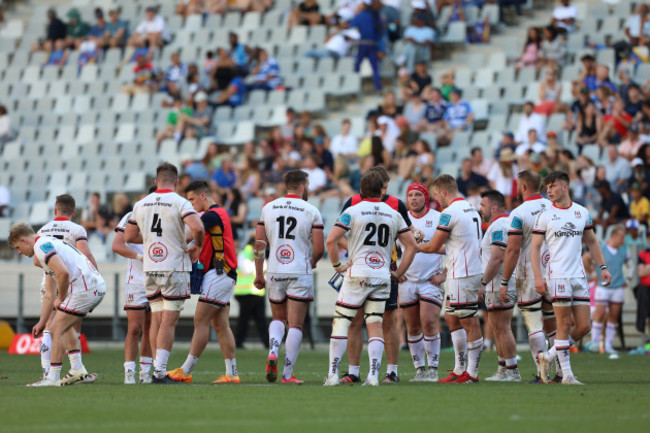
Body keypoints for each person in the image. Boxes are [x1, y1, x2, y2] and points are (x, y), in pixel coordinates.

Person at [324, 171, 417, 386]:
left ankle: (332, 375)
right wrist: (399, 272)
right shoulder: (393, 212)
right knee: (376, 323)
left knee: (341, 321)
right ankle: (374, 376)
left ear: (361, 189)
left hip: (358, 273)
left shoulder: (353, 209)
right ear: (381, 189)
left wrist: (338, 265)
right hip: (383, 273)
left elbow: (331, 240)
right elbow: (412, 245)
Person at [124, 163, 205, 384]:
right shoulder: (180, 202)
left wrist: (153, 240)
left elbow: (129, 237)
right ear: (176, 182)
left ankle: (152, 371)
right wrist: (196, 246)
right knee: (169, 321)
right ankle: (159, 372)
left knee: (157, 319)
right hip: (173, 266)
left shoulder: (140, 204)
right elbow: (198, 227)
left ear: (156, 181)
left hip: (150, 267)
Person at [533, 171, 612, 385]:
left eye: (553, 186)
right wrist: (538, 277)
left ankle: (547, 356)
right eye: (547, 187)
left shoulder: (581, 212)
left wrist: (602, 267)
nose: (548, 190)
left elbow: (593, 242)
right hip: (557, 276)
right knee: (564, 324)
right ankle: (567, 375)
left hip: (579, 275)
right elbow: (535, 247)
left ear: (565, 187)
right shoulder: (545, 215)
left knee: (584, 326)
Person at [10, 223, 105, 387]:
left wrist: (61, 298)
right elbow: (48, 293)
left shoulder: (41, 247)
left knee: (56, 329)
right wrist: (41, 321)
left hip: (86, 287)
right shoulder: (47, 244)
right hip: (94, 285)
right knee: (63, 326)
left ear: (24, 241)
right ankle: (78, 370)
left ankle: (52, 378)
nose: (19, 252)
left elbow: (63, 273)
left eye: (18, 247)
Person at [254, 170, 324, 383]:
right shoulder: (311, 210)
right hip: (298, 271)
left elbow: (259, 245)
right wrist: (311, 262)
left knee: (278, 318)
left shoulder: (268, 208)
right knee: (295, 325)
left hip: (275, 269)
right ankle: (286, 374)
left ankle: (273, 350)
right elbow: (319, 248)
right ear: (302, 187)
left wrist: (259, 274)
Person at [167, 180, 241, 384]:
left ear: (203, 196)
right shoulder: (219, 213)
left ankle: (186, 370)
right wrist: (196, 247)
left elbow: (190, 232)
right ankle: (232, 374)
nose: (190, 204)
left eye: (191, 199)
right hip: (223, 273)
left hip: (219, 274)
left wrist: (167, 237)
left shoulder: (210, 215)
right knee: (221, 325)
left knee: (200, 321)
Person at [418, 174, 484, 383]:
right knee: (451, 317)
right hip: (467, 269)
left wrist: (414, 245)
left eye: (437, 195)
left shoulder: (448, 213)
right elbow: (453, 245)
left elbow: (433, 245)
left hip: (462, 273)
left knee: (469, 321)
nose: (437, 200)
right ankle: (459, 368)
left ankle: (471, 373)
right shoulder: (471, 208)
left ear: (444, 192)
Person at [34, 194, 99, 386]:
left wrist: (51, 269)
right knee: (70, 326)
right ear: (74, 212)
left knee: (49, 325)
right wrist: (95, 276)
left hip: (48, 281)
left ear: (55, 211)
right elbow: (85, 254)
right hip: (72, 281)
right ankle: (72, 369)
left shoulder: (43, 230)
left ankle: (51, 373)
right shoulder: (76, 228)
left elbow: (37, 259)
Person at [499, 170, 556, 383]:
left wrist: (504, 282)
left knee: (534, 323)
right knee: (553, 324)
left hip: (529, 274)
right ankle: (561, 371)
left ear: (522, 187)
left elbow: (512, 251)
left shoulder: (518, 213)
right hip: (554, 272)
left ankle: (543, 374)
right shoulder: (554, 206)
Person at [399, 183, 445, 382]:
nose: (414, 198)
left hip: (430, 280)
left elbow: (452, 247)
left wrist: (444, 274)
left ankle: (433, 369)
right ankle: (419, 369)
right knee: (412, 326)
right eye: (410, 195)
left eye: (418, 194)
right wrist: (396, 271)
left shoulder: (438, 218)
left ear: (425, 197)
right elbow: (391, 249)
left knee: (428, 320)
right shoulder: (400, 219)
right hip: (407, 280)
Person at [479, 190, 520, 382]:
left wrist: (483, 283)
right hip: (497, 283)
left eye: (483, 206)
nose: (481, 209)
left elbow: (497, 257)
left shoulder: (499, 226)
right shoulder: (501, 224)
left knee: (502, 327)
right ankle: (503, 369)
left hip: (499, 283)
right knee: (497, 327)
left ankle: (512, 370)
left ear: (494, 207)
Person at [112, 204, 153, 384]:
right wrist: (140, 257)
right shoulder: (132, 215)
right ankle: (129, 372)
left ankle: (145, 373)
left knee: (151, 329)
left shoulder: (168, 213)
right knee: (134, 327)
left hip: (158, 279)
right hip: (136, 281)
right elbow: (117, 245)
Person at [586, 225, 628, 358]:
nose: (623, 240)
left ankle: (608, 345)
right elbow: (586, 258)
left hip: (617, 287)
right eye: (621, 237)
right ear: (614, 236)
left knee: (613, 317)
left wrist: (629, 277)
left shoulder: (623, 251)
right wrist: (592, 273)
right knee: (599, 315)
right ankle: (594, 343)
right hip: (603, 286)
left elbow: (630, 264)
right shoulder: (602, 248)